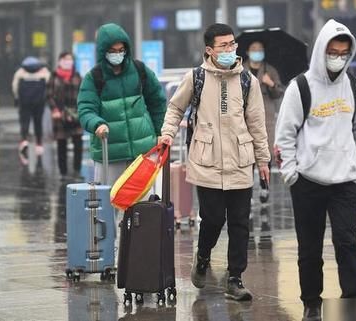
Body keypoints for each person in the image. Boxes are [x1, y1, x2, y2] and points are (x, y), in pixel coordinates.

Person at [274, 19, 356, 321]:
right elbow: (285, 135)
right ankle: (311, 304)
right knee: (310, 250)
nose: (338, 57)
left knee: (348, 244)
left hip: (345, 180)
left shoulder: (355, 87)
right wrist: (292, 174)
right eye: (333, 51)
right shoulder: (301, 87)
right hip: (307, 181)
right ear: (322, 50)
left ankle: (351, 303)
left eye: (344, 53)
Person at [159, 23, 270, 301]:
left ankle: (235, 279)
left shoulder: (248, 81)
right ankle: (203, 256)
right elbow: (175, 108)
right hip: (206, 161)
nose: (230, 49)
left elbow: (257, 123)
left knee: (240, 222)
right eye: (224, 46)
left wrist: (263, 160)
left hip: (241, 161)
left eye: (232, 44)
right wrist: (167, 135)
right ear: (209, 50)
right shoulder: (195, 78)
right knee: (213, 219)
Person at [77, 23, 166, 185]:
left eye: (121, 50)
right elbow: (85, 109)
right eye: (112, 51)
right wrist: (97, 124)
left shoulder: (140, 70)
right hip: (110, 153)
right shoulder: (94, 77)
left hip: (143, 151)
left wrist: (161, 131)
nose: (118, 54)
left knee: (144, 205)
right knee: (110, 203)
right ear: (103, 51)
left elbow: (157, 102)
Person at [243, 40, 284, 202]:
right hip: (245, 117)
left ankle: (264, 188)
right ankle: (247, 191)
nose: (257, 52)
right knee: (247, 155)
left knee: (265, 154)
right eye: (254, 49)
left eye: (260, 49)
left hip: (266, 117)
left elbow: (279, 92)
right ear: (247, 51)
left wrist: (271, 84)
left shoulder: (270, 70)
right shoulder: (241, 69)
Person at [47, 51, 83, 180]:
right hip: (60, 115)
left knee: (78, 144)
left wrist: (81, 110)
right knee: (61, 144)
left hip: (75, 114)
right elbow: (49, 95)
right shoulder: (54, 76)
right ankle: (63, 173)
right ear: (60, 61)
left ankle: (77, 171)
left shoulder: (77, 76)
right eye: (65, 59)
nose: (68, 61)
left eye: (70, 59)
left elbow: (83, 94)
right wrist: (54, 110)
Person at [12, 56, 50, 165]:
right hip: (39, 102)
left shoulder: (21, 71)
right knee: (38, 123)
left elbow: (15, 86)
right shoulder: (44, 71)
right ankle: (39, 144)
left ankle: (24, 140)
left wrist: (16, 97)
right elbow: (49, 85)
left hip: (24, 102)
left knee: (25, 122)